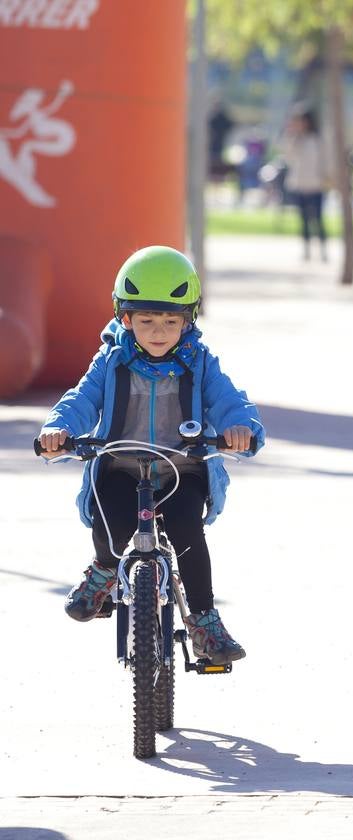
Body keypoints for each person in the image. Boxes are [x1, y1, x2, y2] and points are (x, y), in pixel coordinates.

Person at [36, 246, 264, 665]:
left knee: (187, 530)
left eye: (170, 321)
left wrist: (240, 429)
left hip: (182, 468)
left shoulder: (200, 362)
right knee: (113, 518)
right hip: (122, 465)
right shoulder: (111, 361)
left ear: (188, 320)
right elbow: (81, 399)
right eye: (146, 320)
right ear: (125, 319)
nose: (158, 331)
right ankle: (104, 569)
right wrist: (60, 429)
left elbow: (229, 399)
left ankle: (204, 620)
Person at [280, 107, 331, 262]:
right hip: (299, 184)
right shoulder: (295, 140)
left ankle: (323, 250)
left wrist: (327, 178)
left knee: (318, 218)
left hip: (317, 184)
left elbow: (326, 161)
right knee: (303, 220)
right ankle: (306, 250)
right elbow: (287, 157)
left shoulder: (317, 140)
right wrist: (291, 136)